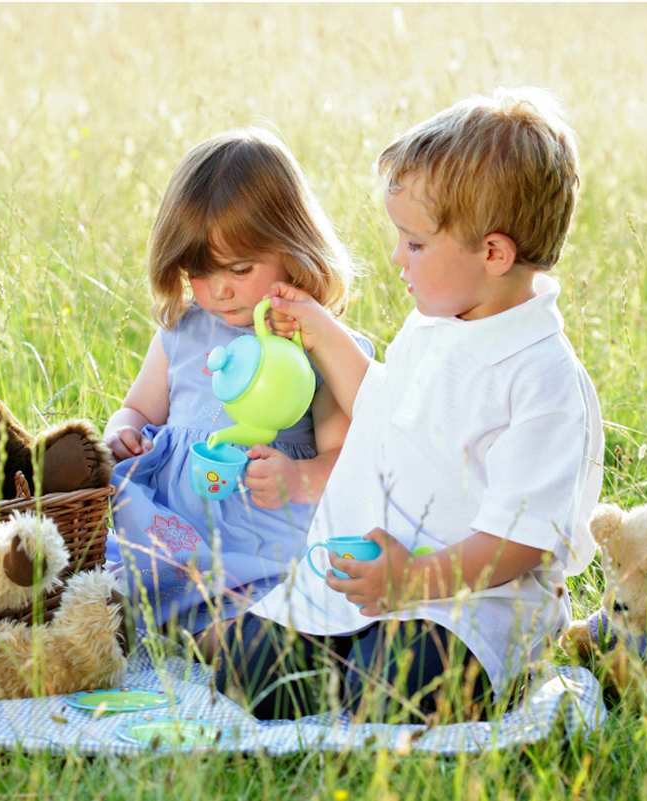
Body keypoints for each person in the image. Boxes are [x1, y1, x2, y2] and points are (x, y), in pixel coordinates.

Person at [215, 87, 605, 722]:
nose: (397, 258)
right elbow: (382, 411)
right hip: (360, 589)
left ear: (494, 253)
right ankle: (343, 659)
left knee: (393, 688)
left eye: (415, 245)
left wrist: (411, 583)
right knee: (244, 673)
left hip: (461, 606)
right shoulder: (437, 324)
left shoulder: (541, 381)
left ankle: (382, 676)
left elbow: (522, 543)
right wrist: (319, 330)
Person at [103, 126, 371, 651]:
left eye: (240, 269)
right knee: (117, 572)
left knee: (253, 623)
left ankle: (235, 638)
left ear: (294, 250)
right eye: (199, 272)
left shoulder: (315, 343)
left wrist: (297, 478)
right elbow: (137, 407)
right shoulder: (183, 329)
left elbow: (348, 456)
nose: (218, 289)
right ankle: (137, 615)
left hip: (258, 543)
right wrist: (124, 432)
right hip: (171, 533)